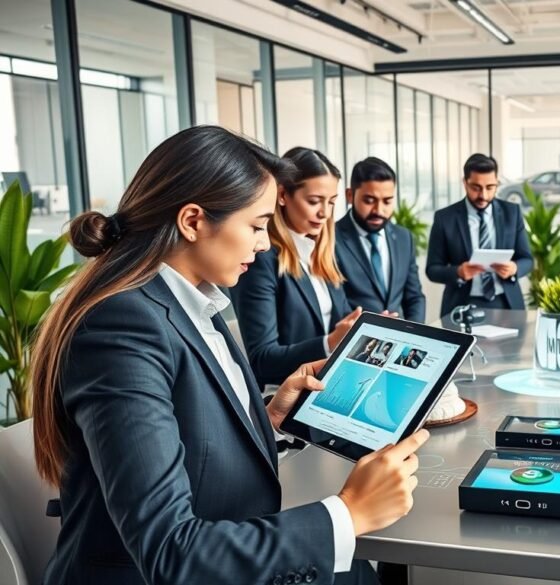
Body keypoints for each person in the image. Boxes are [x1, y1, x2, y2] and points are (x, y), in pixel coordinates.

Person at [31, 126, 427, 585]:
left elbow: (178, 427)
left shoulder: (193, 299)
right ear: (194, 221)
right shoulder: (122, 326)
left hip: (223, 538)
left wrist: (265, 416)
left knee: (357, 572)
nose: (263, 244)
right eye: (257, 226)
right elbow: (169, 552)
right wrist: (348, 513)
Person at [232, 146, 362, 390]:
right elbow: (262, 359)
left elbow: (342, 321)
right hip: (284, 396)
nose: (324, 213)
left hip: (330, 385)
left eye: (332, 202)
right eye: (314, 201)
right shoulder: (261, 259)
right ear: (283, 195)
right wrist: (329, 342)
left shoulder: (322, 254)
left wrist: (364, 327)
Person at [426, 153, 534, 318]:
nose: (483, 195)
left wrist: (515, 268)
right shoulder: (445, 218)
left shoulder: (512, 213)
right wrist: (458, 272)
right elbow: (432, 269)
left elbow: (527, 259)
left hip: (506, 303)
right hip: (461, 304)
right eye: (476, 187)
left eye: (490, 187)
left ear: (497, 183)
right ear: (465, 183)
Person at [334, 157, 426, 323]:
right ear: (350, 195)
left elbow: (414, 297)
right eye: (369, 201)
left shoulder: (404, 238)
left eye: (387, 201)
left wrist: (415, 335)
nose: (379, 210)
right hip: (353, 341)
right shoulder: (330, 240)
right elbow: (334, 305)